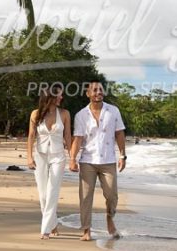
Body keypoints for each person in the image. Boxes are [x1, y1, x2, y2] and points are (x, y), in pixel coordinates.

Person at [68, 81, 126, 241]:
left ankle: (109, 219)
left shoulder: (113, 111)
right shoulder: (81, 115)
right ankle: (86, 230)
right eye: (94, 90)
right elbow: (78, 138)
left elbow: (119, 134)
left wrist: (122, 155)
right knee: (85, 197)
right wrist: (72, 159)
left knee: (112, 195)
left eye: (100, 90)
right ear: (88, 94)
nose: (98, 92)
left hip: (108, 160)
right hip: (88, 160)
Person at [27, 84, 71, 239]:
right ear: (50, 97)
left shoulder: (65, 114)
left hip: (58, 156)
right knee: (43, 194)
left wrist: (72, 157)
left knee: (53, 191)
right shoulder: (35, 114)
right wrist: (29, 157)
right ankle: (53, 224)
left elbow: (67, 136)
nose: (61, 97)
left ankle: (45, 229)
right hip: (40, 155)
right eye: (59, 95)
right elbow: (31, 136)